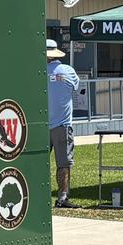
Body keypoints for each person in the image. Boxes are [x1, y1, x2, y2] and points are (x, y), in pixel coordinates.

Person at [46, 39, 80, 207]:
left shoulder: (35, 71)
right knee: (64, 163)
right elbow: (75, 87)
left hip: (41, 124)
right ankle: (62, 197)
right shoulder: (68, 71)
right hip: (63, 124)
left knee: (38, 162)